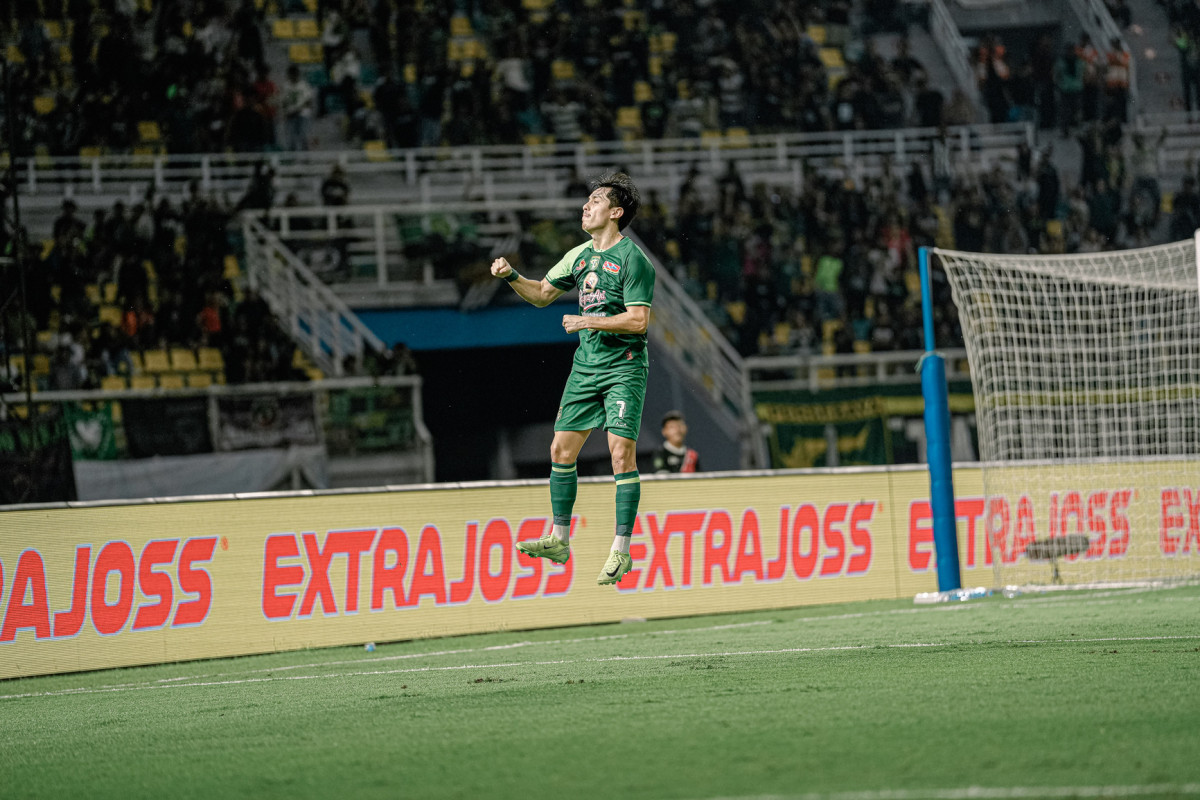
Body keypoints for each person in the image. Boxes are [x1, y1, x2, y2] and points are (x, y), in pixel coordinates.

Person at [489, 172, 654, 586]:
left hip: (623, 366)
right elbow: (543, 293)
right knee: (560, 450)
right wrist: (511, 275)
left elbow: (638, 320)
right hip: (586, 366)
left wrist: (588, 319)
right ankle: (559, 539)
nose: (586, 205)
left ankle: (621, 549)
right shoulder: (578, 255)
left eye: (596, 200)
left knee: (620, 455)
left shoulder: (635, 261)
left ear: (615, 212)